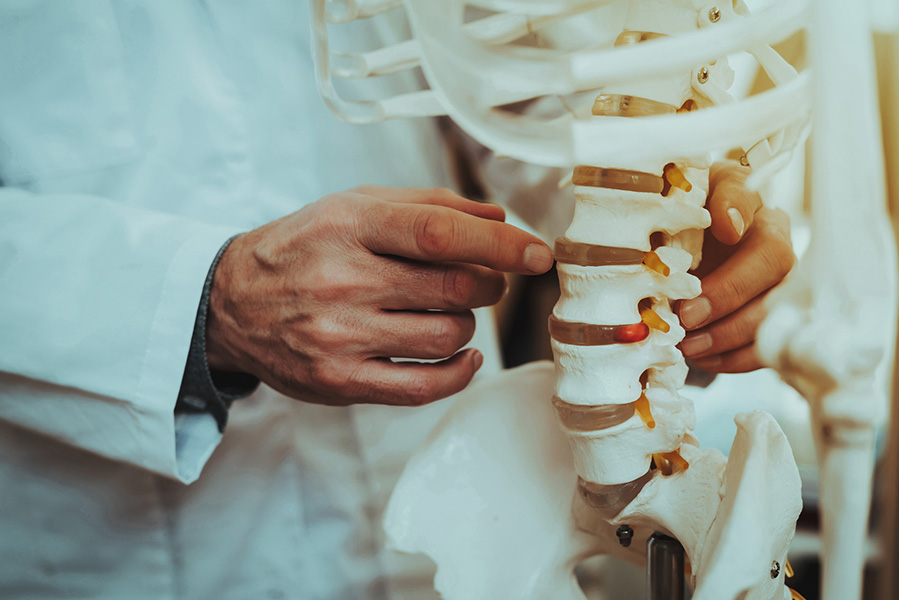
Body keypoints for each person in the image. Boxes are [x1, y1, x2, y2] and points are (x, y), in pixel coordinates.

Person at [0, 3, 793, 599]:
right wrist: (202, 301)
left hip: (443, 524)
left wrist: (658, 220)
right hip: (107, 550)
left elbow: (529, 93)